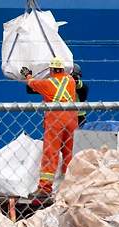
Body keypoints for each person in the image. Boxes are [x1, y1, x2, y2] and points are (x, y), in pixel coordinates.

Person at [20, 57, 78, 196]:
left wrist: (27, 74)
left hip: (56, 118)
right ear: (63, 69)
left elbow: (32, 83)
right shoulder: (70, 80)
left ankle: (45, 188)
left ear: (51, 70)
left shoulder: (48, 83)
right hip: (71, 117)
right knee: (69, 153)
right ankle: (69, 186)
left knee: (51, 152)